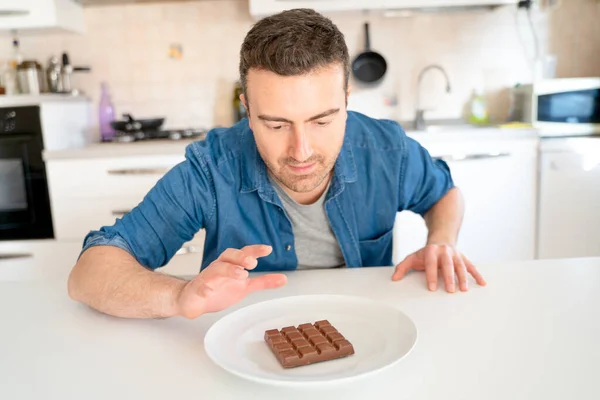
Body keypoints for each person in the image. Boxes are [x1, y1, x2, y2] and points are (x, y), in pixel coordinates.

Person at [68, 9, 486, 320]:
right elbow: (89, 273)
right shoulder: (213, 169)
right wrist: (177, 296)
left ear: (346, 103)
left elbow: (444, 195)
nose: (301, 151)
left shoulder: (386, 148)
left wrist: (442, 241)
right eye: (275, 124)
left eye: (322, 121)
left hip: (366, 327)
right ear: (247, 110)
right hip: (244, 340)